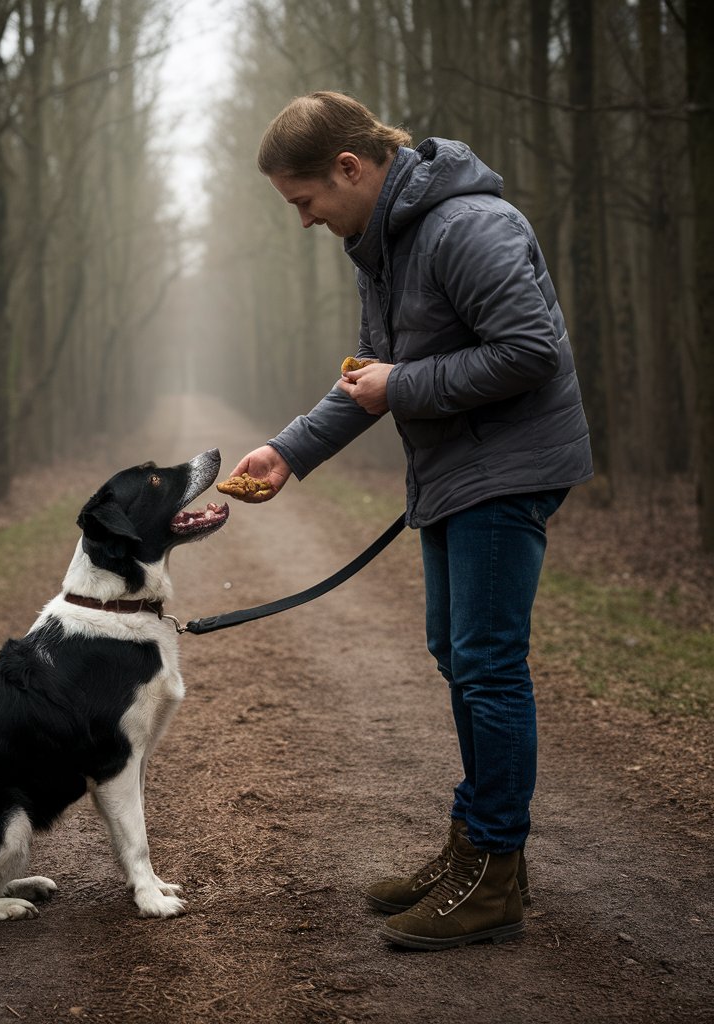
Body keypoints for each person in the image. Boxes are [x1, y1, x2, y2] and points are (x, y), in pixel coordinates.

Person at [231, 91, 593, 951]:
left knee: (488, 665)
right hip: (457, 468)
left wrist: (405, 387)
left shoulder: (469, 225)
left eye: (305, 200)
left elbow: (530, 350)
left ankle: (494, 875)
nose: (304, 220)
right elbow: (371, 375)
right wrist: (288, 452)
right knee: (456, 653)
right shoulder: (383, 244)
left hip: (508, 469)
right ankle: (477, 845)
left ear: (350, 168)